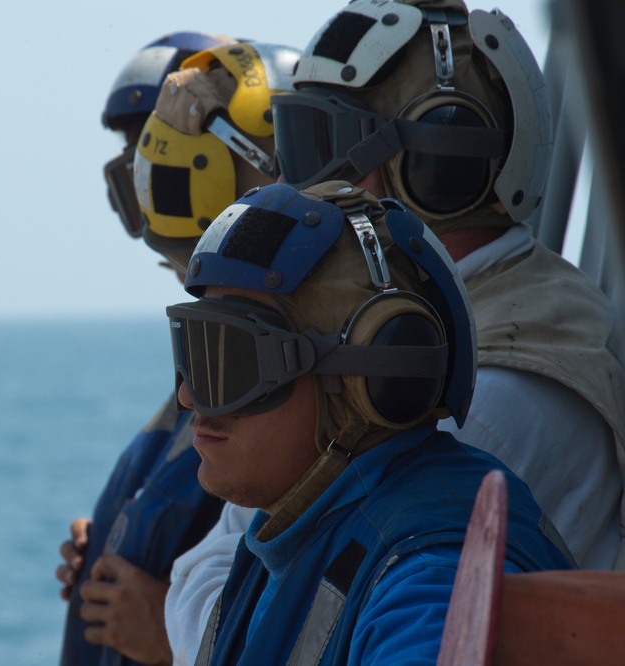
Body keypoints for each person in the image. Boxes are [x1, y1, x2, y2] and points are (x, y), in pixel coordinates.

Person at [166, 2, 625, 661]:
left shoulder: (485, 411)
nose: (307, 185)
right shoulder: (498, 331)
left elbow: (422, 604)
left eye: (322, 147)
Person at [168, 181, 572, 664]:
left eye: (230, 362)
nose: (188, 396)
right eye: (195, 352)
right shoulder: (295, 528)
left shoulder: (429, 575)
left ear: (367, 380)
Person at [56, 36, 300, 666]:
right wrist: (118, 531)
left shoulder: (292, 381)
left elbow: (313, 608)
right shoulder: (199, 376)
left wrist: (169, 638)